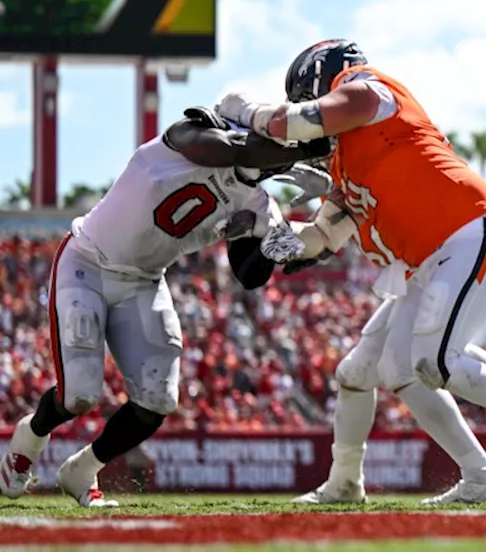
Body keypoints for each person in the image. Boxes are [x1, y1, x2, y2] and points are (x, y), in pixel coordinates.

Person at [216, 40, 486, 505]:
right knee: (370, 370)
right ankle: (415, 479)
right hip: (434, 262)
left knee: (435, 360)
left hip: (472, 233)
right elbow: (320, 240)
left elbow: (292, 122)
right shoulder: (348, 162)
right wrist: (271, 233)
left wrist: (244, 109)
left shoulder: (370, 89)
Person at [0, 106, 325, 507]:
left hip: (144, 281)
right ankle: (28, 439)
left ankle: (82, 469)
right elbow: (232, 150)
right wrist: (309, 146)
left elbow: (249, 275)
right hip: (88, 261)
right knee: (79, 396)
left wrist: (286, 250)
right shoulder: (195, 136)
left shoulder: (258, 204)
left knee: (159, 399)